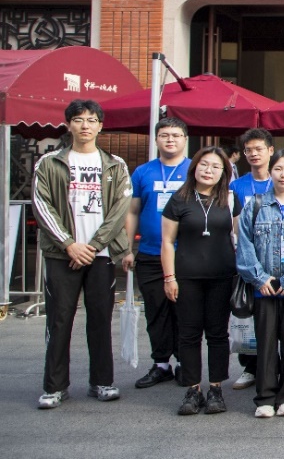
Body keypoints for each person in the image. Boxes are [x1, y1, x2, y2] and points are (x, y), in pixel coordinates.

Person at [33, 99, 132, 410]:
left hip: (100, 255)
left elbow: (119, 209)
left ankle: (102, 381)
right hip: (62, 254)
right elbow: (42, 205)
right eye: (78, 119)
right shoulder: (49, 163)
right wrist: (68, 244)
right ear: (69, 125)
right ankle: (55, 387)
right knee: (59, 320)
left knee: (100, 319)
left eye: (91, 120)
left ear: (100, 126)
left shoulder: (115, 165)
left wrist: (93, 246)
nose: (85, 125)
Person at [161, 146, 243, 416]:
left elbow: (241, 237)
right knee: (189, 334)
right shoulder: (179, 198)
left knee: (218, 334)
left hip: (222, 276)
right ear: (194, 167)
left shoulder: (230, 199)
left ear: (224, 172)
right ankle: (192, 389)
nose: (209, 170)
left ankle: (216, 389)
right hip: (187, 277)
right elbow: (167, 241)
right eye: (204, 164)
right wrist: (169, 277)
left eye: (216, 167)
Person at [235, 149, 284, 418]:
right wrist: (259, 278)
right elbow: (244, 244)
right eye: (279, 169)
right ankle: (266, 397)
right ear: (271, 172)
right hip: (264, 287)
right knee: (266, 343)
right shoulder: (256, 205)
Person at [124, 116, 190, 390]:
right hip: (150, 253)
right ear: (156, 139)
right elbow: (132, 211)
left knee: (185, 312)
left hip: (185, 254)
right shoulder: (143, 172)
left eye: (175, 135)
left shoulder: (195, 170)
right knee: (156, 310)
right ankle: (161, 363)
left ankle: (185, 362)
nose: (170, 140)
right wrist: (128, 248)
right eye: (164, 135)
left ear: (185, 139)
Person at [227, 127, 275, 391]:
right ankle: (250, 367)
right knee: (247, 314)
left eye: (259, 149)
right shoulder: (236, 185)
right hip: (247, 258)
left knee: (274, 317)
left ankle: (274, 365)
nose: (254, 154)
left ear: (270, 151)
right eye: (249, 150)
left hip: (276, 260)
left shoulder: (281, 180)